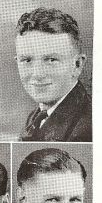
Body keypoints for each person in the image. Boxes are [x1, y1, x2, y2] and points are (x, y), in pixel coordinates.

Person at [14, 8, 92, 142]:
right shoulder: (36, 116)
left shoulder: (88, 127)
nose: (38, 74)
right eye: (27, 60)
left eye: (51, 60)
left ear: (77, 65)